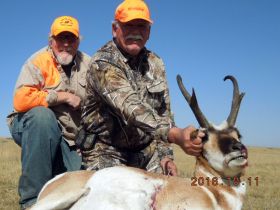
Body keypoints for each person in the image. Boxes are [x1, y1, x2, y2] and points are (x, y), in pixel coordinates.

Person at [77, 0, 204, 176]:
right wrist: (175, 135)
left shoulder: (155, 63)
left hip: (145, 151)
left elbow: (163, 114)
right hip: (106, 149)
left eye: (142, 26)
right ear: (115, 29)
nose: (135, 32)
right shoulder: (102, 62)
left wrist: (166, 156)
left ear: (149, 31)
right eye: (128, 25)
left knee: (167, 191)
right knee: (119, 195)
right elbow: (132, 107)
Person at [6, 16, 91, 209]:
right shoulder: (38, 61)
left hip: (70, 137)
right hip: (30, 126)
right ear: (51, 41)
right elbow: (20, 100)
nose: (66, 44)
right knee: (42, 118)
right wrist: (61, 97)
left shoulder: (90, 64)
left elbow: (98, 107)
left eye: (71, 39)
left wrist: (85, 140)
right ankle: (32, 202)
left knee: (80, 185)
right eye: (61, 38)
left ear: (78, 41)